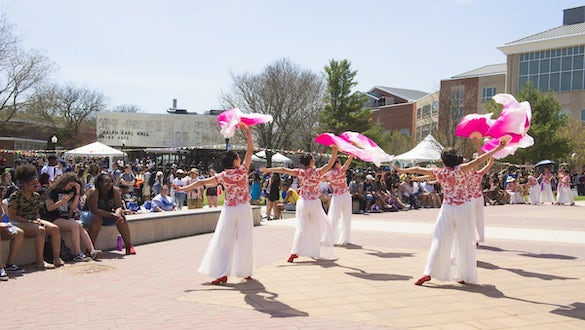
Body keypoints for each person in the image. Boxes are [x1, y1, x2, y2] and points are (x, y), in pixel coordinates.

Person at [395, 136, 509, 286]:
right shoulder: (462, 169)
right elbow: (479, 160)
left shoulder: (440, 172)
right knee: (465, 241)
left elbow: (418, 169)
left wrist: (403, 169)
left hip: (447, 208)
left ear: (443, 161)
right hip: (463, 208)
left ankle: (428, 272)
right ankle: (463, 274)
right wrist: (498, 148)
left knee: (439, 239)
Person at [176, 122, 254, 285]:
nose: (240, 158)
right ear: (235, 161)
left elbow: (201, 183)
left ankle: (222, 273)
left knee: (223, 239)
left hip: (230, 209)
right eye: (238, 157)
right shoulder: (243, 170)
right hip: (243, 207)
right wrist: (247, 133)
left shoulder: (223, 175)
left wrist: (185, 189)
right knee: (245, 238)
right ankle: (244, 271)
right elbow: (250, 150)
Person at [261, 146, 338, 263]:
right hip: (314, 203)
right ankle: (315, 252)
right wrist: (334, 150)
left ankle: (294, 251)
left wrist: (268, 170)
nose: (314, 161)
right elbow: (330, 163)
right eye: (313, 159)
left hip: (303, 202)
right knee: (316, 227)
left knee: (301, 228)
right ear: (311, 162)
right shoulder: (317, 172)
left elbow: (283, 169)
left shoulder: (300, 172)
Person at [7, 164, 64, 268]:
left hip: (32, 221)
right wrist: (30, 222)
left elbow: (36, 212)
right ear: (25, 184)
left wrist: (37, 219)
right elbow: (12, 216)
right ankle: (40, 261)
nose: (36, 186)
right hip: (18, 222)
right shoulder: (16, 196)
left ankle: (56, 258)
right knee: (40, 230)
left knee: (55, 229)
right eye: (33, 184)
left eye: (36, 183)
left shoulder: (36, 196)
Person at [45, 173, 103, 261]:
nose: (70, 187)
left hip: (66, 218)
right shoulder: (53, 191)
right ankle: (78, 253)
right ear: (65, 182)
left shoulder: (71, 191)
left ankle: (92, 250)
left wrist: (77, 193)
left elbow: (73, 207)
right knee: (74, 225)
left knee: (80, 227)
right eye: (70, 185)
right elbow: (49, 208)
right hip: (54, 218)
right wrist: (62, 201)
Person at [83, 172, 136, 255]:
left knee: (122, 219)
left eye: (111, 182)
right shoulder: (94, 191)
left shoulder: (114, 190)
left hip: (106, 214)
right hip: (89, 214)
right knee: (97, 219)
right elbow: (94, 210)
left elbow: (118, 206)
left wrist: (117, 214)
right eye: (106, 182)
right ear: (100, 183)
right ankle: (90, 249)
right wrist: (111, 215)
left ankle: (129, 246)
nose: (109, 184)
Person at [323, 155, 354, 245]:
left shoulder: (329, 174)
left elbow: (320, 178)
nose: (340, 164)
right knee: (346, 217)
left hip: (337, 196)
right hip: (344, 195)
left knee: (333, 217)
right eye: (339, 162)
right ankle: (345, 238)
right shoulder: (341, 170)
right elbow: (348, 162)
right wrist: (351, 154)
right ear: (336, 164)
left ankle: (328, 237)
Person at [467, 157, 494, 245]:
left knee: (471, 218)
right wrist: (492, 156)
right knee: (479, 218)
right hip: (478, 197)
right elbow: (489, 165)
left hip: (470, 198)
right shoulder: (478, 174)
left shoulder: (465, 174)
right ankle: (477, 238)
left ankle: (472, 237)